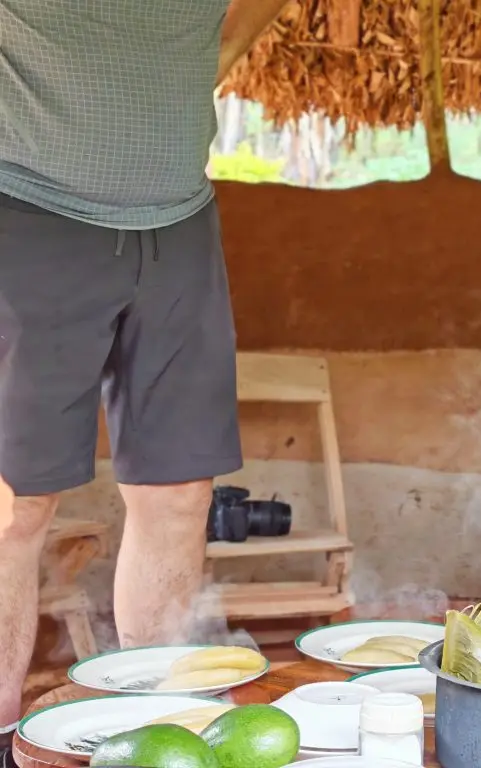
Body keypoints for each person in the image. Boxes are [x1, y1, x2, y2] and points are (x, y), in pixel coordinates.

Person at [0, 1, 290, 762]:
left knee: (180, 493)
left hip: (181, 221)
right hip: (26, 209)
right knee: (14, 505)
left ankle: (159, 737)